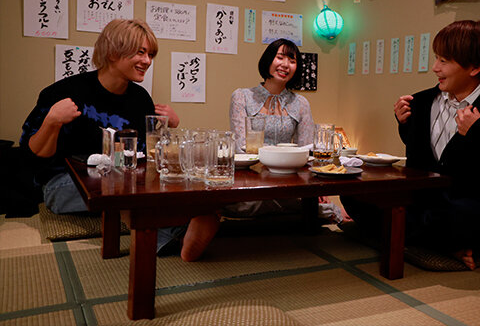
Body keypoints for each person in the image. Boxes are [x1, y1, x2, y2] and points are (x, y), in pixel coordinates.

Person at [341, 20, 480, 270]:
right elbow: (424, 159)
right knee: (353, 193)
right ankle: (445, 243)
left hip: (479, 208)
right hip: (425, 202)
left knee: (456, 218)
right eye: (436, 58)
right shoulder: (421, 101)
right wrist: (405, 125)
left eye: (444, 61)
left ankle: (422, 236)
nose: (435, 67)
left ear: (475, 67)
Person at [176, 39, 346, 262]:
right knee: (212, 203)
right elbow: (240, 148)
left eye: (292, 60)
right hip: (248, 180)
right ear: (268, 60)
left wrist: (316, 187)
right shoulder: (242, 96)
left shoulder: (301, 103)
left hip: (287, 182)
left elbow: (306, 150)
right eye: (280, 57)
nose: (285, 64)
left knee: (318, 206)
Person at [20, 18, 179, 215]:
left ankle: (162, 232)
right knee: (141, 196)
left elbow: (145, 159)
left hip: (123, 181)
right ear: (112, 53)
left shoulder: (141, 99)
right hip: (65, 185)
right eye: (140, 52)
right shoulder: (64, 92)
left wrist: (168, 126)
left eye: (150, 54)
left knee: (171, 194)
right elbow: (31, 155)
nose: (147, 61)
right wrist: (52, 121)